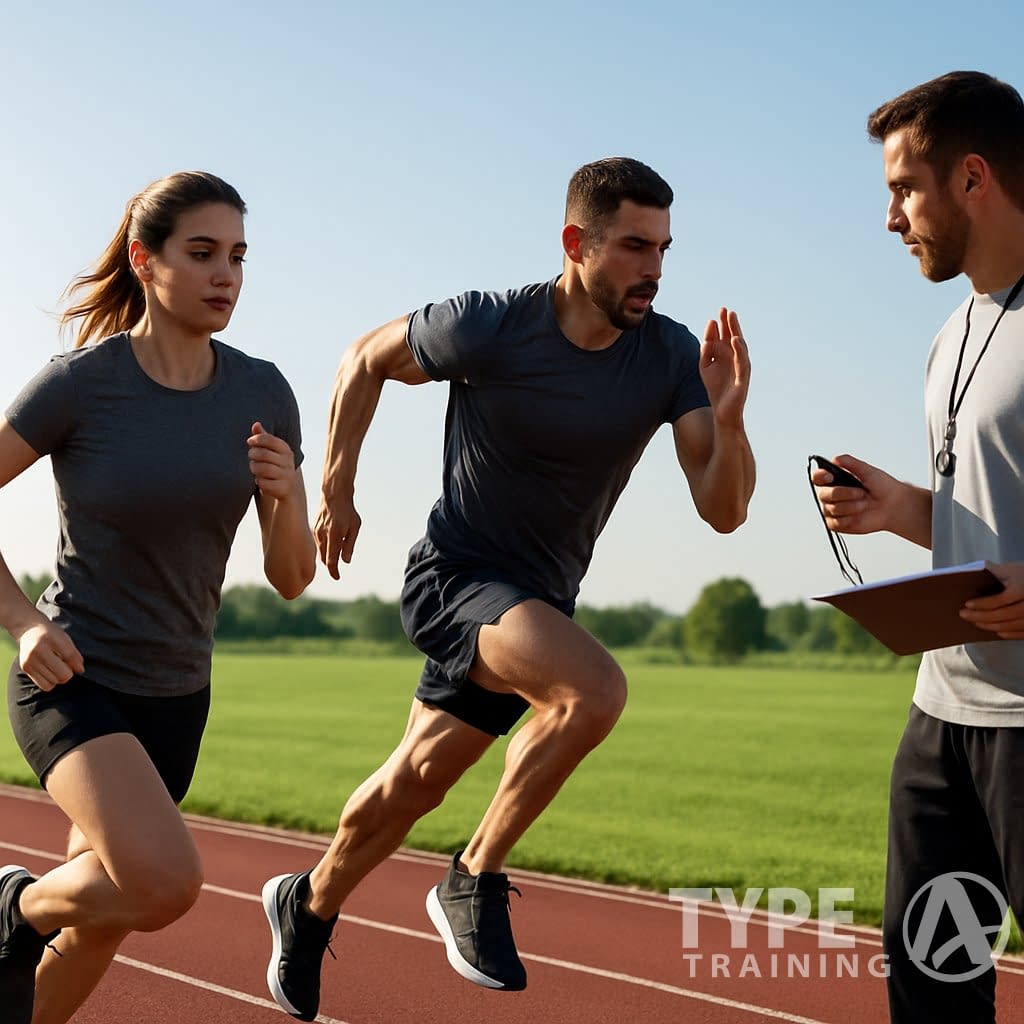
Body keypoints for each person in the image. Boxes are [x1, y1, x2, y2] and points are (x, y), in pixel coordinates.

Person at [261, 156, 755, 1020]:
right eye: (636, 247)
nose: (656, 269)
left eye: (666, 248)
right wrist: (336, 486)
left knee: (413, 780)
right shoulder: (490, 325)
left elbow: (723, 512)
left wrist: (733, 416)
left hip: (535, 603)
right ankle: (474, 876)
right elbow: (362, 360)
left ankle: (304, 905)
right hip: (455, 577)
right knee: (592, 690)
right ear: (577, 243)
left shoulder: (671, 354)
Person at [0, 171, 316, 1024]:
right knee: (164, 883)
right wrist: (23, 623)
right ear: (145, 260)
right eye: (203, 253)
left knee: (103, 915)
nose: (226, 276)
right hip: (72, 676)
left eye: (239, 257)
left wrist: (289, 497)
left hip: (178, 692)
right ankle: (12, 909)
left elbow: (292, 577)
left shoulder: (262, 390)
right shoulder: (82, 383)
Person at [812, 72, 1024, 1022]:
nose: (892, 218)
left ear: (972, 176)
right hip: (941, 722)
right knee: (931, 988)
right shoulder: (950, 335)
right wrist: (899, 505)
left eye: (904, 189)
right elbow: (984, 510)